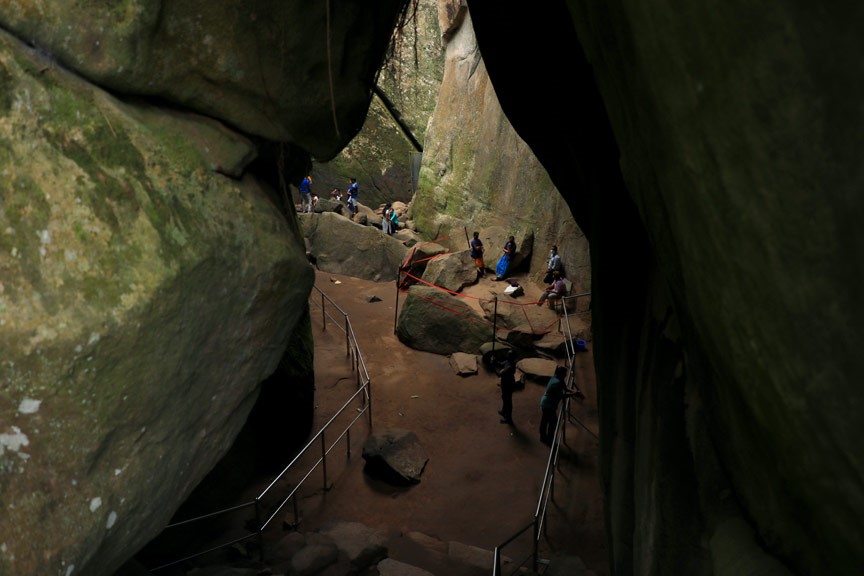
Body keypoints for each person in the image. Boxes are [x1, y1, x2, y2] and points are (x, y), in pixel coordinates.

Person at [539, 365, 576, 445]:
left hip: (547, 402)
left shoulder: (557, 378)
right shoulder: (557, 383)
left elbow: (565, 388)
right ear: (561, 374)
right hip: (548, 404)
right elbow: (561, 396)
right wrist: (573, 394)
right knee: (552, 421)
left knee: (545, 420)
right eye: (565, 373)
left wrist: (573, 391)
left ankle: (544, 437)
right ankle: (549, 439)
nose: (566, 375)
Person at [495, 350, 517, 424]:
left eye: (508, 355)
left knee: (508, 401)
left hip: (509, 384)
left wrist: (493, 367)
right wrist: (495, 360)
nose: (507, 356)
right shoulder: (508, 362)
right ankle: (504, 411)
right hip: (505, 383)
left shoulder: (510, 366)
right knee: (504, 397)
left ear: (511, 357)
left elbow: (499, 374)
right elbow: (501, 364)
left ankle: (508, 418)